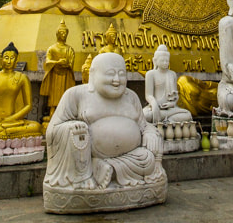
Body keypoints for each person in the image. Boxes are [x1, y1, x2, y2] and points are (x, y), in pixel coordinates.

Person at [43, 53, 165, 191]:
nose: (116, 80)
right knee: (77, 133)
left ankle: (106, 167)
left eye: (121, 74)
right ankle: (87, 172)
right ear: (93, 74)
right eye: (110, 74)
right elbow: (53, 130)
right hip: (84, 157)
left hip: (130, 157)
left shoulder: (131, 97)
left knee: (147, 159)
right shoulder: (76, 95)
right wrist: (71, 127)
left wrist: (150, 132)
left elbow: (143, 125)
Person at [143, 44, 192, 123]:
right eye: (162, 60)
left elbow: (175, 96)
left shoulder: (172, 74)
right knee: (145, 116)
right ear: (155, 61)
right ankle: (169, 122)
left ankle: (169, 121)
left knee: (187, 114)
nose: (165, 63)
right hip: (155, 109)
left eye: (167, 61)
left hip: (170, 110)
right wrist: (154, 105)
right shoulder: (151, 74)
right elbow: (148, 95)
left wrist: (171, 104)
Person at [40, 20, 76, 118]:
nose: (63, 35)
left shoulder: (69, 49)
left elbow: (71, 62)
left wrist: (66, 64)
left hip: (65, 74)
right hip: (55, 74)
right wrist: (57, 62)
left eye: (65, 33)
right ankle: (52, 110)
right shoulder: (52, 48)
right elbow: (47, 62)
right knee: (54, 95)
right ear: (57, 34)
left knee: (65, 95)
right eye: (61, 33)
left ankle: (65, 112)